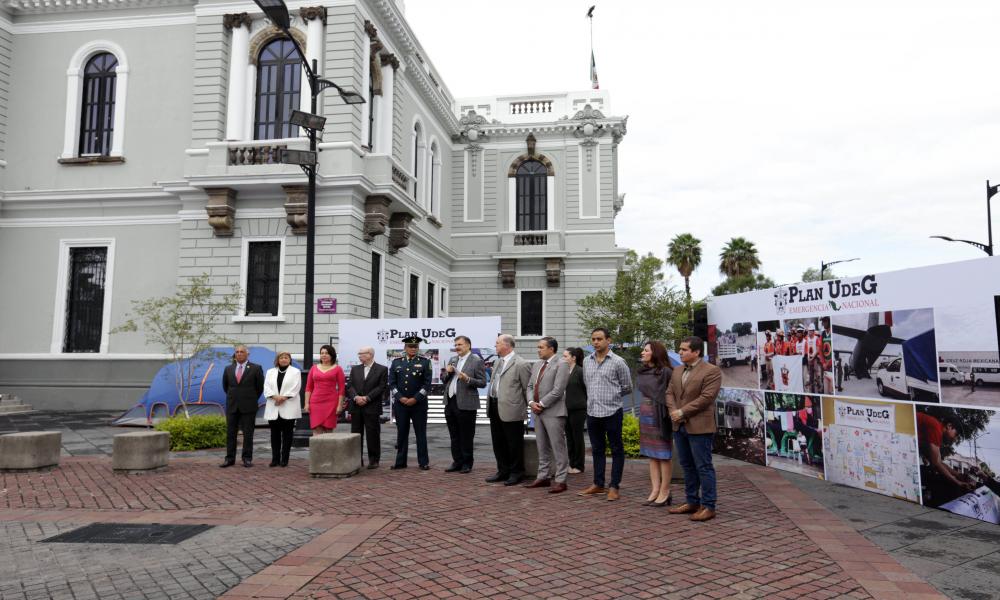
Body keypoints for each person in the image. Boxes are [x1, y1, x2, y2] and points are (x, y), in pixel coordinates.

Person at [667, 336, 722, 522]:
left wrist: (682, 412)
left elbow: (707, 397)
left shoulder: (712, 371)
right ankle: (692, 502)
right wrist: (674, 411)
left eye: (684, 349)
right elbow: (669, 393)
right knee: (687, 466)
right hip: (679, 425)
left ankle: (709, 506)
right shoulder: (677, 370)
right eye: (680, 349)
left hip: (699, 425)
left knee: (703, 466)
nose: (680, 352)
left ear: (696, 352)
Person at [578, 328, 633, 501]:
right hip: (593, 412)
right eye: (593, 339)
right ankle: (598, 484)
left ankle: (614, 486)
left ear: (608, 340)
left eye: (599, 339)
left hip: (612, 411)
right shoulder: (587, 361)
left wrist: (611, 396)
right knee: (597, 449)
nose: (596, 342)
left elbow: (627, 387)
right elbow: (587, 383)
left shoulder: (618, 362)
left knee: (616, 449)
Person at [525, 336, 571, 493]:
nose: (538, 350)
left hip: (553, 412)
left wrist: (542, 404)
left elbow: (558, 390)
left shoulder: (562, 364)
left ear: (551, 349)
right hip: (537, 411)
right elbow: (530, 386)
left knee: (558, 447)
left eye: (541, 347)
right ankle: (543, 477)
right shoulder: (537, 365)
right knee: (542, 446)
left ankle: (561, 480)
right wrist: (531, 403)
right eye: (538, 347)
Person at [485, 334, 532, 486]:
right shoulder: (498, 362)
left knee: (514, 443)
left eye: (497, 343)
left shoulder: (521, 364)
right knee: (498, 442)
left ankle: (517, 472)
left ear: (507, 345)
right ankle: (503, 470)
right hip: (494, 406)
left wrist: (527, 409)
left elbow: (526, 389)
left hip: (512, 410)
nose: (495, 345)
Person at [442, 335, 487, 473]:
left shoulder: (476, 361)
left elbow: (482, 382)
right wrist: (447, 373)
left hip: (466, 403)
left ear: (468, 345)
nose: (457, 347)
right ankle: (457, 461)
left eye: (460, 345)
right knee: (454, 435)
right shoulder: (453, 359)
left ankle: (467, 463)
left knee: (466, 435)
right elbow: (444, 379)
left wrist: (467, 379)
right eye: (456, 345)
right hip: (450, 402)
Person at [637, 341, 674, 506]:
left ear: (655, 353)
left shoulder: (665, 372)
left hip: (660, 416)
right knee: (652, 455)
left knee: (663, 455)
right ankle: (655, 489)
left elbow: (670, 394)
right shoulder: (644, 372)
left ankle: (665, 491)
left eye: (646, 350)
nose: (642, 353)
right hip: (645, 416)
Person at [389, 336, 433, 470]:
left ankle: (423, 462)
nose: (413, 349)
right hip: (401, 404)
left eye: (415, 347)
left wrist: (416, 398)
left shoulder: (425, 362)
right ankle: (400, 462)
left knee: (421, 434)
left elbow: (427, 384)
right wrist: (400, 397)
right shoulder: (396, 362)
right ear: (405, 348)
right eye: (410, 346)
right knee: (401, 433)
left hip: (418, 404)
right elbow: (392, 383)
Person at [917, 411, 976, 504]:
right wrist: (957, 482)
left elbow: (939, 462)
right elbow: (935, 464)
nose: (955, 438)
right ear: (949, 426)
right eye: (956, 434)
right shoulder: (936, 428)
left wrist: (958, 475)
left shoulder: (937, 430)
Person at [221, 344, 265, 468]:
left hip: (248, 406)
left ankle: (247, 458)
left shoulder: (256, 368)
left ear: (247, 354)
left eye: (242, 352)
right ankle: (229, 459)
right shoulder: (228, 368)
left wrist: (249, 398)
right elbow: (226, 386)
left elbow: (259, 388)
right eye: (237, 352)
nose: (239, 354)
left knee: (248, 434)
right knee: (230, 433)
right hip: (232, 406)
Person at [346, 346, 388, 469]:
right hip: (356, 406)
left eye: (362, 353)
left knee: (373, 434)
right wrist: (356, 398)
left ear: (370, 354)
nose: (359, 356)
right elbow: (350, 386)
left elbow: (381, 387)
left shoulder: (382, 369)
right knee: (356, 434)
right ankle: (356, 459)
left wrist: (367, 398)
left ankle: (374, 460)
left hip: (372, 406)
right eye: (358, 354)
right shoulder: (355, 369)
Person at [263, 350, 302, 467]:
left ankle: (285, 459)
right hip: (273, 406)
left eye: (286, 357)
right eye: (281, 357)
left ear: (290, 360)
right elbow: (266, 387)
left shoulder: (295, 372)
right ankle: (275, 459)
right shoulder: (270, 372)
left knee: (287, 435)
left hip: (288, 406)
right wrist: (275, 397)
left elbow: (296, 387)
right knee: (274, 435)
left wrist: (283, 398)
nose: (284, 359)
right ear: (277, 360)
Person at [304, 344, 345, 434]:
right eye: (322, 353)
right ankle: (317, 448)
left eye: (326, 353)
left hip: (331, 402)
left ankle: (328, 448)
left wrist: (339, 405)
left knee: (328, 429)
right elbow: (308, 387)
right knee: (316, 428)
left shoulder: (338, 369)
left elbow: (342, 389)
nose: (324, 355)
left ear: (332, 355)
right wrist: (306, 403)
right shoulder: (313, 368)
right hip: (315, 402)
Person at [563, 347, 588, 474]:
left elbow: (587, 389)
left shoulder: (580, 371)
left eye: (566, 356)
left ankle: (579, 465)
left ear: (573, 357)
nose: (564, 358)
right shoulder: (565, 371)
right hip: (565, 409)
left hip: (578, 409)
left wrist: (584, 402)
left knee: (577, 437)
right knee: (569, 437)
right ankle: (572, 463)